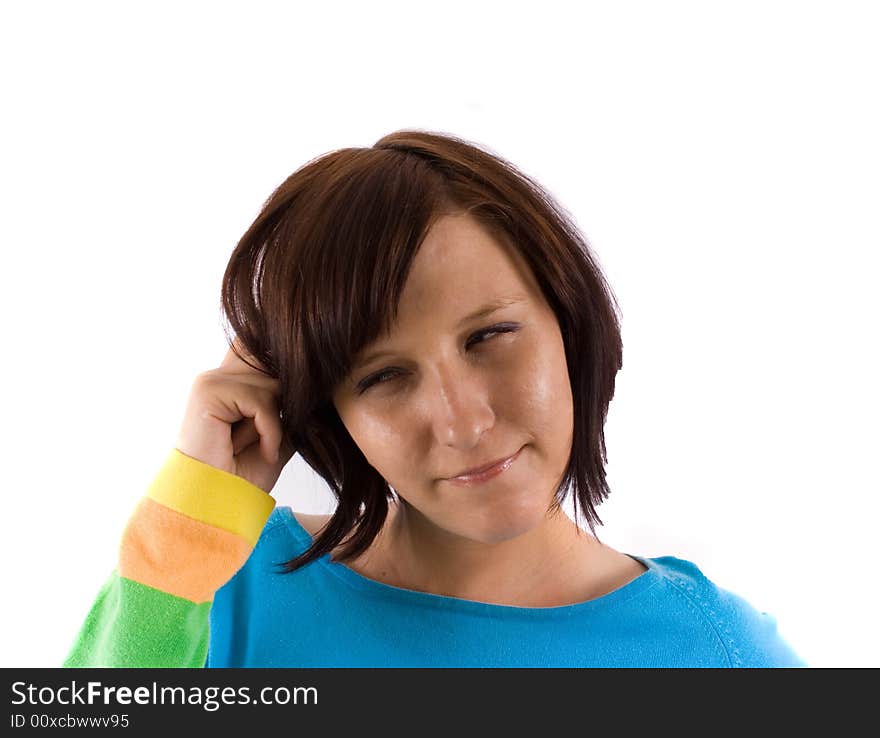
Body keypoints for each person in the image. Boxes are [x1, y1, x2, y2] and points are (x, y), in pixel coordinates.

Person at [63, 130, 807, 668]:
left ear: (569, 324)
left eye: (489, 336)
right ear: (329, 411)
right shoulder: (217, 593)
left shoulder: (720, 654)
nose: (463, 422)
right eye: (383, 376)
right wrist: (190, 515)